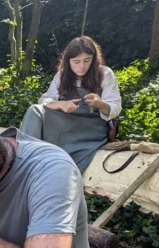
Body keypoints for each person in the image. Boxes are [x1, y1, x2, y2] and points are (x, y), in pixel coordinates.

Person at [20, 36, 121, 173]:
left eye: (87, 61)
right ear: (68, 61)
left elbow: (115, 107)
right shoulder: (62, 76)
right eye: (76, 61)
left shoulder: (105, 73)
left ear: (94, 58)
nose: (82, 66)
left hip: (91, 126)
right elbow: (44, 101)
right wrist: (61, 105)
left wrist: (100, 104)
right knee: (34, 110)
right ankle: (26, 160)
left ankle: (52, 166)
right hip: (66, 121)